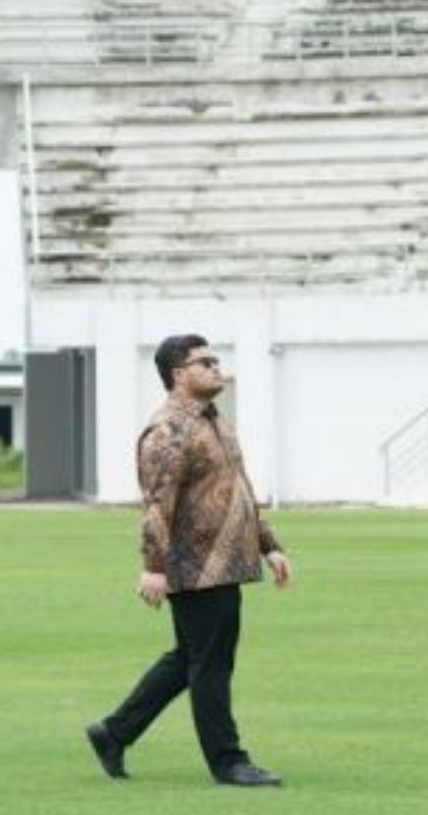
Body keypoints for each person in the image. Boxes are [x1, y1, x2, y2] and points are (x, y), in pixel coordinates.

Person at [84, 334, 293, 787]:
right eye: (205, 362)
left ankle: (114, 733)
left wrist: (269, 545)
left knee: (190, 658)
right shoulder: (168, 431)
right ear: (179, 374)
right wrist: (153, 567)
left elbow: (240, 489)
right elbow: (157, 505)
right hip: (196, 567)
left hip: (226, 563)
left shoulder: (216, 421)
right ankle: (228, 761)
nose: (216, 368)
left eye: (216, 360)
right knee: (212, 664)